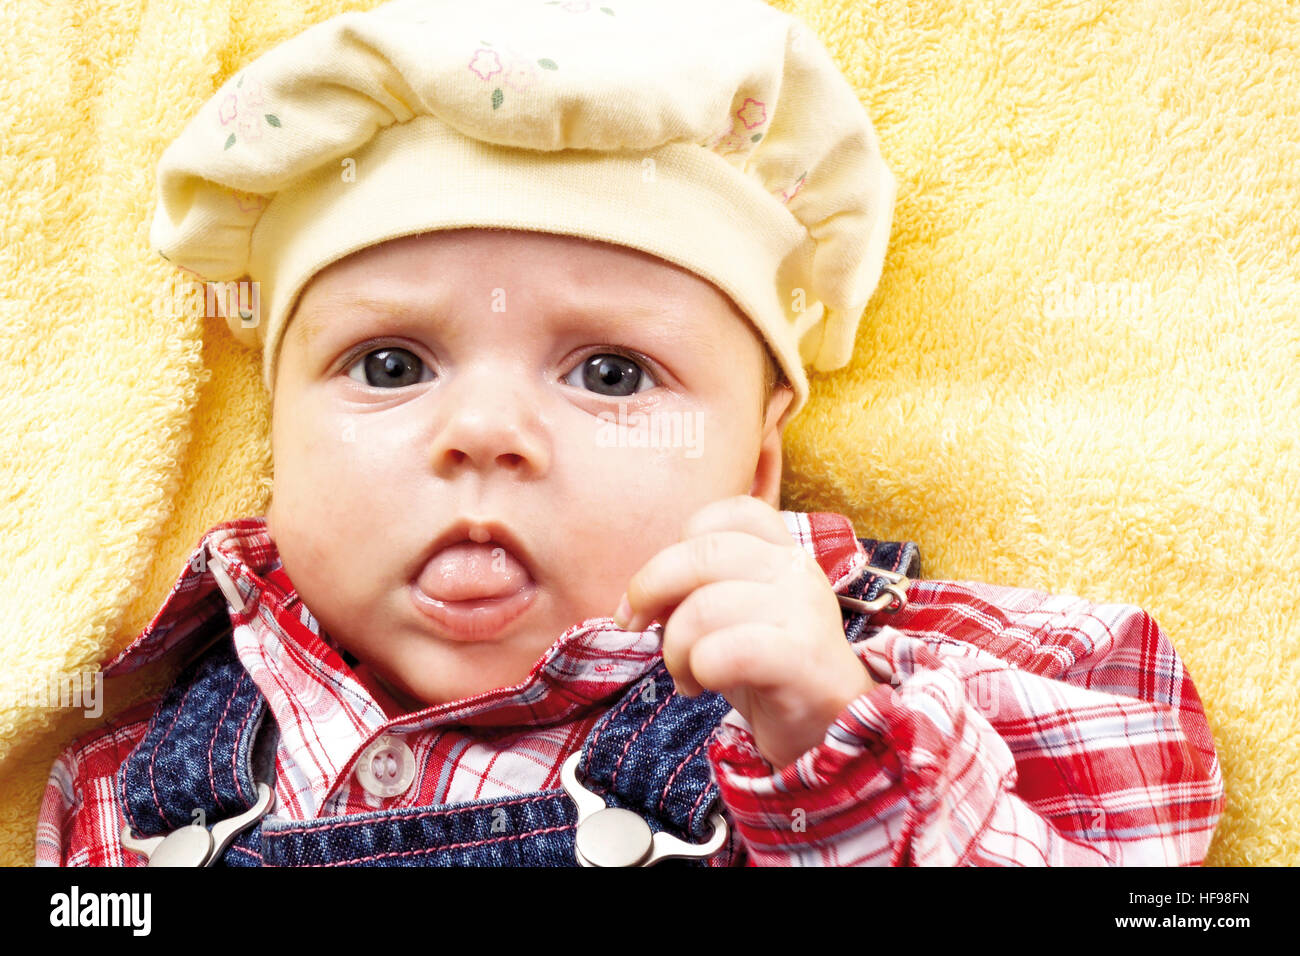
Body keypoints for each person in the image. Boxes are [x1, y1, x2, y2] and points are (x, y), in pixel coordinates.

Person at [35, 0, 1223, 867]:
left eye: (610, 371)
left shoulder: (884, 686)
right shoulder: (123, 787)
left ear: (754, 471)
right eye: (389, 363)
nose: (486, 432)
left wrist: (839, 744)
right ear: (276, 437)